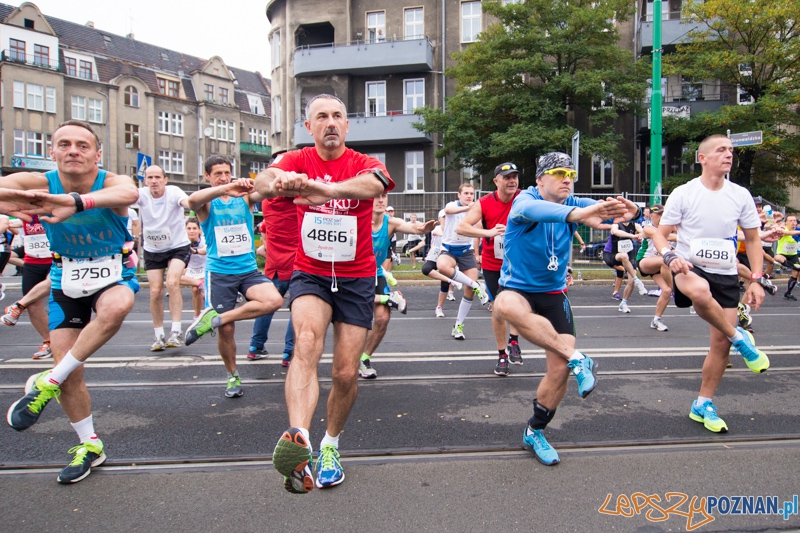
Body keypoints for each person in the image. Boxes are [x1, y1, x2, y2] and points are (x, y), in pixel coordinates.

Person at [253, 93, 394, 493]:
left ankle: (331, 444)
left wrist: (325, 190)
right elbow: (264, 181)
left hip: (357, 277)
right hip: (311, 273)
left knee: (346, 372)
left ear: (347, 126)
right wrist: (281, 181)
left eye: (337, 116)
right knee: (307, 343)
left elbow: (375, 184)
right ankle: (300, 442)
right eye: (321, 117)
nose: (330, 122)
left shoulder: (364, 163)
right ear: (309, 126)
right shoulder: (295, 159)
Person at [4, 120, 140, 484]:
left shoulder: (109, 181)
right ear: (52, 152)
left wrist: (73, 203)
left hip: (112, 275)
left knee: (115, 307)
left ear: (97, 154)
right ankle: (89, 445)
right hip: (67, 279)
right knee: (71, 375)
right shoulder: (40, 183)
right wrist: (16, 203)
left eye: (82, 145)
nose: (73, 151)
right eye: (64, 144)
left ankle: (47, 381)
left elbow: (129, 194)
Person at [492, 152, 639, 466]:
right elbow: (540, 211)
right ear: (540, 179)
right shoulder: (524, 202)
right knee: (503, 304)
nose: (567, 179)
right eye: (559, 173)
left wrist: (629, 210)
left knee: (558, 370)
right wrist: (578, 214)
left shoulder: (577, 200)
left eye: (571, 174)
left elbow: (617, 216)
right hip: (518, 289)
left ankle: (535, 430)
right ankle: (579, 358)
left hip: (554, 294)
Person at [653, 134, 775, 434]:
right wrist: (669, 257)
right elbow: (659, 233)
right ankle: (741, 338)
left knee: (719, 343)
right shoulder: (683, 193)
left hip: (725, 272)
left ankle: (703, 404)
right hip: (687, 265)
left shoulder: (740, 195)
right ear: (702, 158)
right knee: (698, 291)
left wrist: (757, 280)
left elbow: (753, 239)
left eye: (731, 150)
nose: (728, 155)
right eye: (721, 150)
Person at [183, 156, 284, 398]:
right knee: (227, 331)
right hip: (219, 273)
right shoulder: (208, 203)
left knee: (274, 301)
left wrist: (265, 181)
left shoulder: (244, 198)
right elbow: (192, 201)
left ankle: (213, 319)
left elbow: (265, 192)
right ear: (208, 176)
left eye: (227, 173)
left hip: (247, 270)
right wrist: (223, 188)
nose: (224, 177)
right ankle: (232, 376)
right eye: (217, 173)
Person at [456, 162, 523, 376]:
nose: (512, 180)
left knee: (519, 304)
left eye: (515, 176)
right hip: (495, 264)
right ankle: (502, 354)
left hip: (520, 263)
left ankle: (514, 341)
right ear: (496, 181)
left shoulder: (525, 198)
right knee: (498, 309)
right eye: (507, 177)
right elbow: (462, 227)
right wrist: (490, 233)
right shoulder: (484, 203)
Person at [359, 192, 435, 378]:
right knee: (355, 318)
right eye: (375, 195)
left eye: (384, 195)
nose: (380, 199)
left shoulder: (390, 222)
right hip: (355, 275)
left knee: (383, 318)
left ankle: (364, 358)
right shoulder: (357, 220)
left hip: (376, 274)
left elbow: (411, 226)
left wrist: (422, 229)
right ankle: (389, 298)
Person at [137, 165, 193, 351]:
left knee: (172, 282)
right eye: (150, 177)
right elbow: (121, 200)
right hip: (153, 248)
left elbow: (186, 202)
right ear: (145, 180)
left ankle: (175, 332)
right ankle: (159, 335)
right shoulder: (141, 194)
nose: (154, 181)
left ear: (165, 179)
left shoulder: (173, 192)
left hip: (177, 245)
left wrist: (190, 204)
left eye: (157, 177)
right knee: (154, 291)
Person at [246, 193, 298, 366]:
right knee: (296, 310)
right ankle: (289, 352)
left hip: (274, 265)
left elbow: (264, 231)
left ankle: (256, 346)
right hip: (296, 265)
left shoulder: (267, 203)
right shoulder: (296, 202)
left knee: (266, 308)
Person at [436, 183, 489, 341]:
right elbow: (448, 211)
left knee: (469, 291)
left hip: (466, 251)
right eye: (465, 193)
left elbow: (477, 231)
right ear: (459, 195)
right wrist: (468, 208)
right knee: (442, 266)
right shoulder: (453, 205)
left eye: (471, 194)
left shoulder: (475, 211)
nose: (468, 196)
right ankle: (476, 285)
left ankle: (458, 326)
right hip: (449, 249)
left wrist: (477, 253)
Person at [2, 214, 53, 358]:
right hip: (32, 261)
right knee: (33, 306)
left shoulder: (52, 207)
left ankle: (18, 306)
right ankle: (49, 342)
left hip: (55, 259)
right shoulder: (25, 212)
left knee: (51, 283)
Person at [636, 204, 675, 331]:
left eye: (663, 214)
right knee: (665, 260)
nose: (661, 217)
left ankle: (656, 320)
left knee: (666, 291)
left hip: (660, 264)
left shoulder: (672, 228)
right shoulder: (648, 228)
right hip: (645, 261)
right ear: (651, 215)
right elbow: (661, 236)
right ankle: (677, 291)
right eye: (658, 214)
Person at [603, 218, 647, 313]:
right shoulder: (616, 224)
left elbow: (644, 233)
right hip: (611, 254)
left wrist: (641, 236)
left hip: (627, 254)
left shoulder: (635, 225)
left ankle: (624, 303)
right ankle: (637, 280)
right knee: (623, 256)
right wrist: (633, 236)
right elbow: (615, 232)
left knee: (631, 281)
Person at [178, 217, 207, 319]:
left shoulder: (204, 239)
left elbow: (205, 250)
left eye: (194, 228)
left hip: (204, 268)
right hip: (191, 270)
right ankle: (200, 284)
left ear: (199, 230)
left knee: (195, 290)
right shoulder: (182, 241)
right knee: (173, 277)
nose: (191, 231)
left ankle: (197, 315)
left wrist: (194, 251)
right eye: (189, 228)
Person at [775, 214, 800, 300]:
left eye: (794, 221)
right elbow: (787, 233)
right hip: (782, 254)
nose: (793, 222)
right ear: (786, 223)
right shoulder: (783, 229)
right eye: (791, 221)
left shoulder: (797, 230)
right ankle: (786, 266)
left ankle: (788, 293)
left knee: (796, 273)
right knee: (778, 258)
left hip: (793, 254)